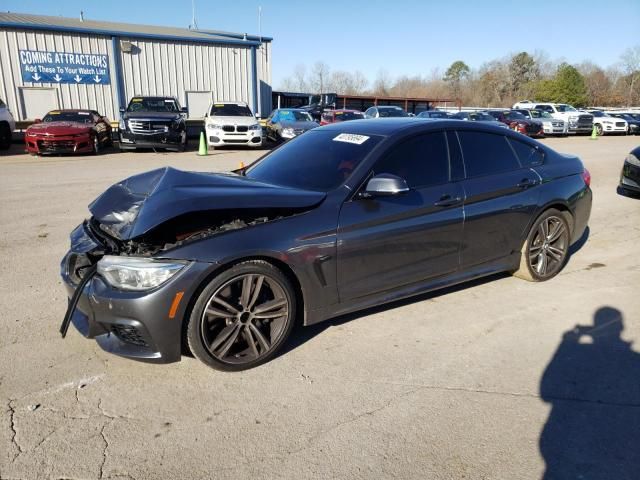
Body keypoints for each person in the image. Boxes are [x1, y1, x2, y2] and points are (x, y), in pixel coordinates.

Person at [539, 307, 640, 479]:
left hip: (565, 443)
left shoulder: (576, 351)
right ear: (621, 327)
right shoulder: (635, 360)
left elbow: (546, 392)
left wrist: (568, 342)